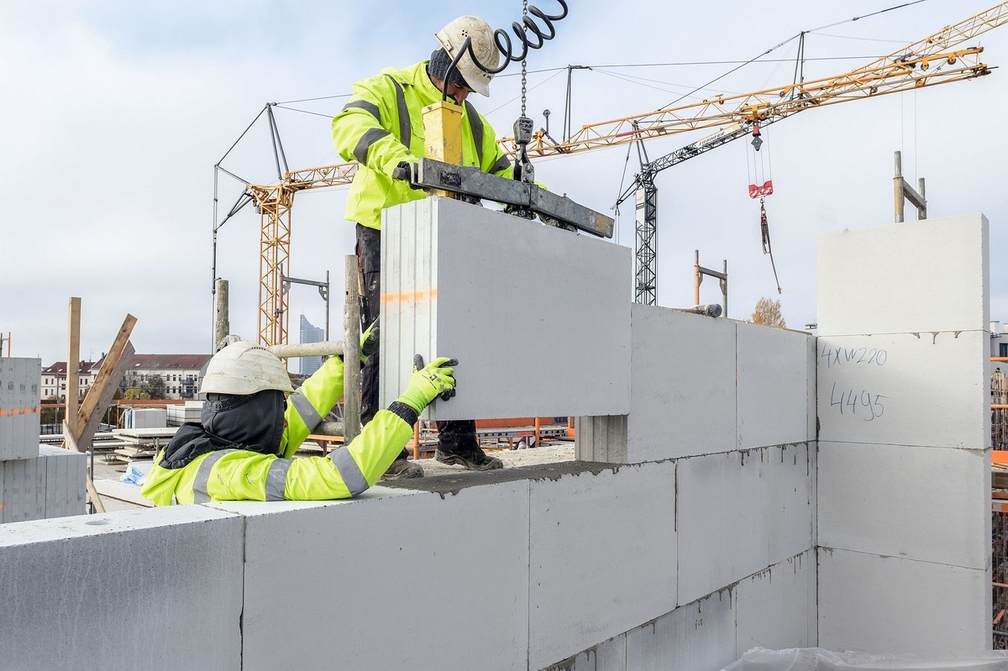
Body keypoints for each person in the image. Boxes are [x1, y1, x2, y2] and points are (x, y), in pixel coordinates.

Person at [331, 15, 509, 479]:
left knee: (456, 330)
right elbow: (349, 127)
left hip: (445, 234)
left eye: (473, 88)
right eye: (464, 84)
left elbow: (502, 171)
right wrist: (402, 162)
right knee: (384, 335)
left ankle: (456, 443)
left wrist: (548, 203)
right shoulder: (388, 89)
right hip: (385, 229)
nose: (466, 95)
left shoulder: (471, 121)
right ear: (444, 60)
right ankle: (380, 449)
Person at [140, 329, 458, 505]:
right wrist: (410, 401)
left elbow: (300, 412)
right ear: (259, 410)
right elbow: (340, 477)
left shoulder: (207, 448)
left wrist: (350, 359)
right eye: (278, 403)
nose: (283, 412)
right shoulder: (232, 473)